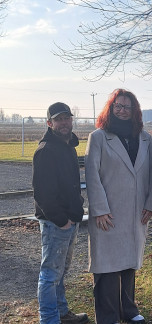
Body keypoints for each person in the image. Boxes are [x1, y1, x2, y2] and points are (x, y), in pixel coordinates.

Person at [85, 89, 152, 324]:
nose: (122, 110)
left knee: (129, 262)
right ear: (111, 107)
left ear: (134, 110)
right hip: (108, 212)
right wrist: (99, 209)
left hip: (137, 211)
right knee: (106, 266)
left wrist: (151, 202)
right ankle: (108, 316)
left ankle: (128, 309)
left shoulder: (145, 138)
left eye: (127, 106)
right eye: (118, 106)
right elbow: (92, 175)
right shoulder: (98, 137)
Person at [32, 102, 89, 324]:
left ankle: (61, 313)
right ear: (49, 123)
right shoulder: (46, 150)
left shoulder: (67, 147)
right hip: (56, 223)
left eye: (67, 118)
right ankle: (48, 319)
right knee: (49, 274)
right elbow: (43, 194)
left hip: (70, 219)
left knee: (60, 272)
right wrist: (61, 220)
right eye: (58, 119)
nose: (64, 123)